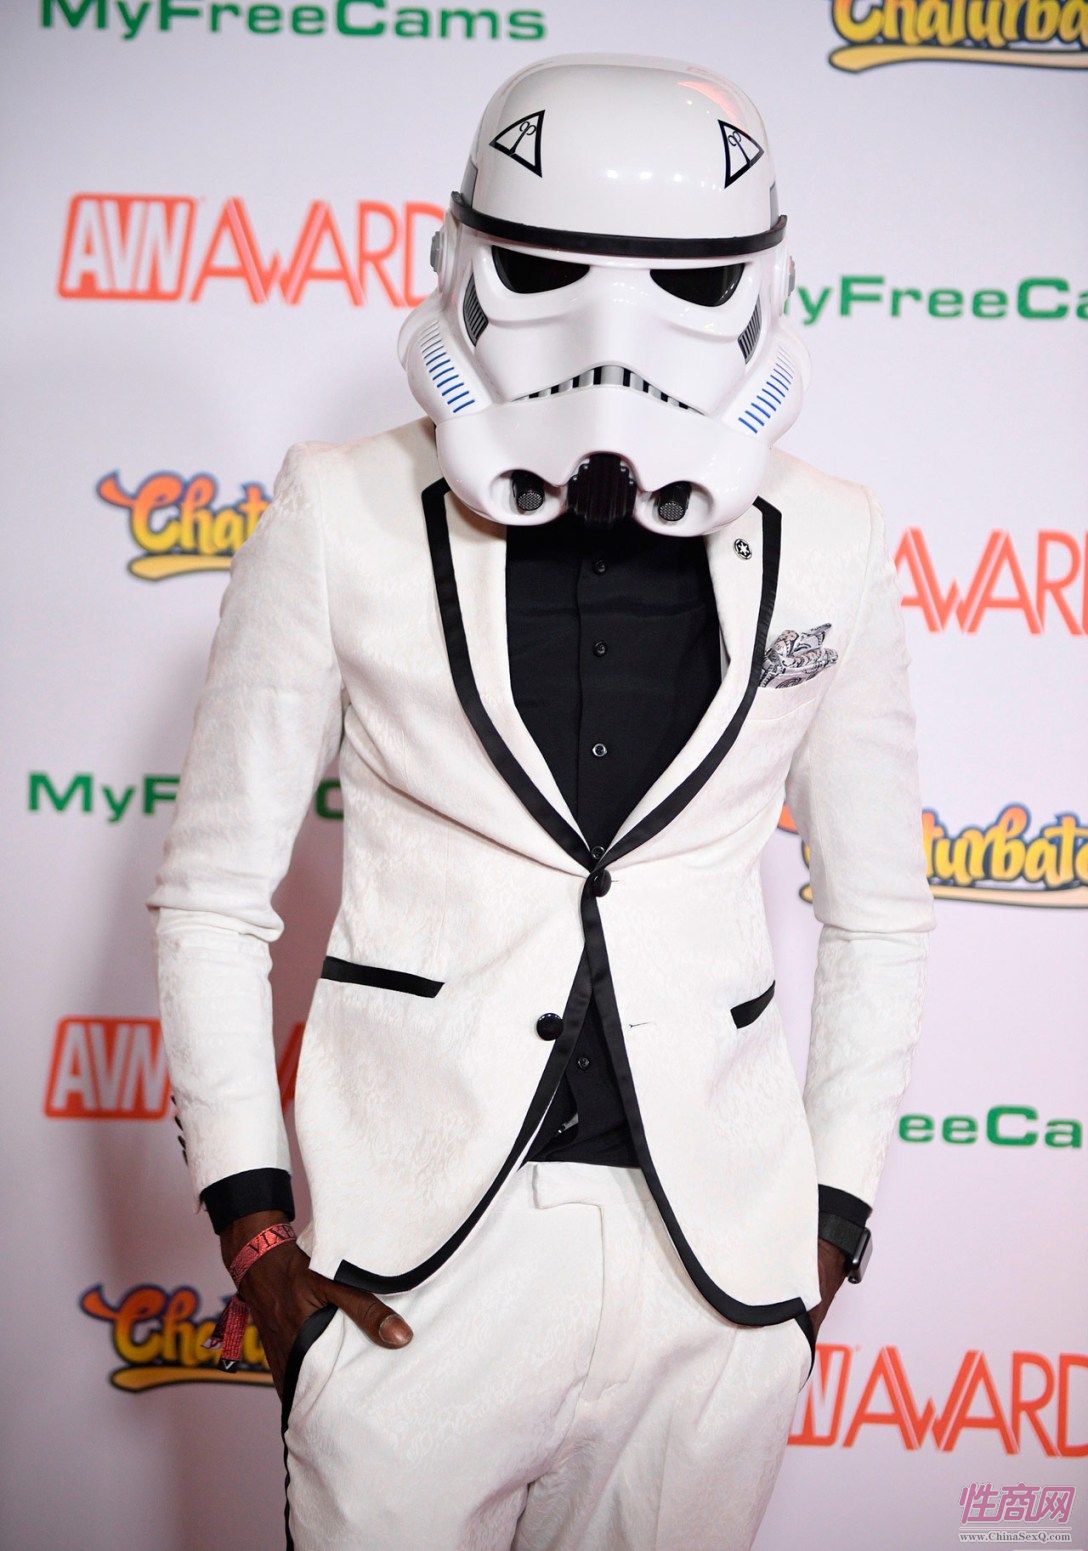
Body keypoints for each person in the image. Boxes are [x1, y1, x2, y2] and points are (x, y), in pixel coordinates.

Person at [146, 51, 936, 1551]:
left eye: (684, 282)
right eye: (548, 268)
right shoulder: (339, 509)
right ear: (463, 258)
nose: (611, 334)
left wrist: (827, 1226)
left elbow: (881, 914)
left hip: (718, 1272)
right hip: (414, 1263)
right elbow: (212, 896)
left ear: (763, 285)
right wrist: (255, 1232)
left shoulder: (834, 540)